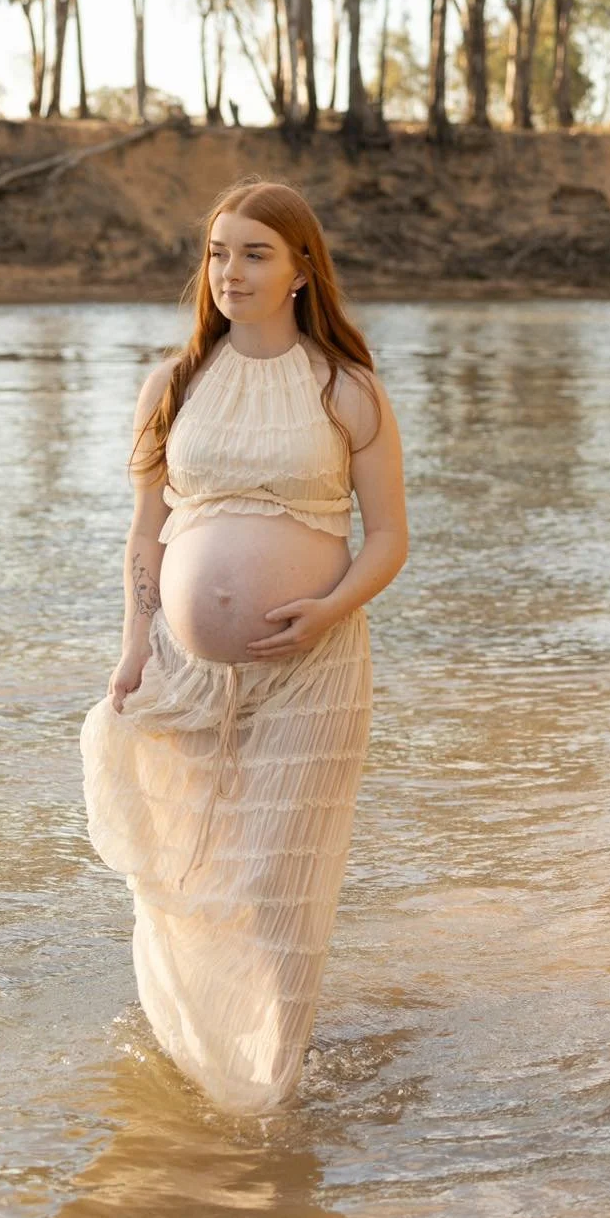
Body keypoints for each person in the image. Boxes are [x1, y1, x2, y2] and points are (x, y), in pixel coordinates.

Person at [79, 176, 408, 1114]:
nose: (230, 270)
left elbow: (387, 536)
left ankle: (270, 1092)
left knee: (272, 883)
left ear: (303, 269)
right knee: (192, 869)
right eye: (219, 251)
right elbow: (147, 535)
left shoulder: (347, 389)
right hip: (184, 673)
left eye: (255, 252)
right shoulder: (173, 384)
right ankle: (204, 1060)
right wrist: (134, 646)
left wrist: (329, 608)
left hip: (315, 668)